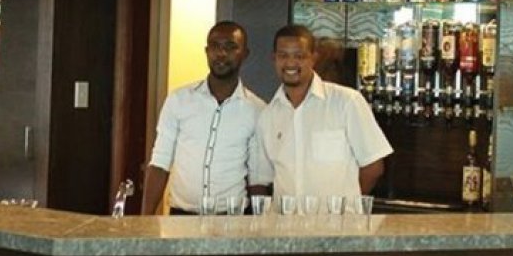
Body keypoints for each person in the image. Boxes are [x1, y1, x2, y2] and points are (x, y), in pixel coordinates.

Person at [251, 24, 392, 202]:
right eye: (283, 55)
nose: (290, 63)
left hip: (337, 219)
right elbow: (261, 178)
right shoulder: (268, 116)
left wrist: (346, 207)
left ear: (313, 58)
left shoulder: (346, 102)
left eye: (299, 56)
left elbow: (373, 167)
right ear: (274, 59)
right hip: (286, 219)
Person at [141, 21, 266, 215]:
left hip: (232, 221)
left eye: (230, 47)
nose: (221, 53)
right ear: (207, 51)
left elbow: (257, 177)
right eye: (215, 46)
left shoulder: (257, 110)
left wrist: (260, 223)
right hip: (181, 218)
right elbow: (160, 162)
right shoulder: (179, 100)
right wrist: (144, 220)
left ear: (245, 54)